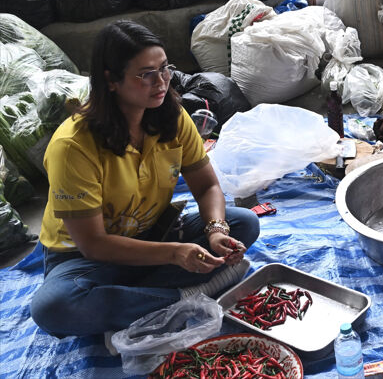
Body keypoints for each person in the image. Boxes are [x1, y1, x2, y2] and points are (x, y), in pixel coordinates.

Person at [30, 21, 260, 342]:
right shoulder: (74, 146)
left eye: (165, 69)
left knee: (244, 223)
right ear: (111, 80)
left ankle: (133, 303)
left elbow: (207, 186)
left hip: (152, 235)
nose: (161, 82)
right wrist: (174, 254)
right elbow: (93, 244)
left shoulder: (172, 117)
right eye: (146, 74)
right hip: (85, 259)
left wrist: (216, 230)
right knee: (53, 307)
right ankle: (181, 298)